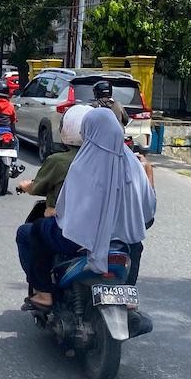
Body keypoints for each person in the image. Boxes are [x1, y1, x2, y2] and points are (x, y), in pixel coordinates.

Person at [50, 100, 157, 306]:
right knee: (136, 247)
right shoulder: (134, 164)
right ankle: (128, 296)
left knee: (38, 234)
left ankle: (48, 294)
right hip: (125, 241)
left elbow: (64, 212)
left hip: (83, 240)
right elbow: (148, 211)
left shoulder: (83, 163)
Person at [15, 104, 91, 303]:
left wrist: (26, 186)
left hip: (73, 232)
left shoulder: (59, 161)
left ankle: (43, 290)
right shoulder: (113, 160)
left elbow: (38, 187)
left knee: (28, 232)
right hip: (110, 231)